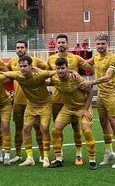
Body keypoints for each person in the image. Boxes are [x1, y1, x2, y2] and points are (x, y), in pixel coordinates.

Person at [78, 33, 115, 169]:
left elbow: (108, 77)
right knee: (103, 123)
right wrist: (73, 69)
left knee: (113, 122)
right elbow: (85, 65)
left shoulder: (113, 58)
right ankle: (109, 151)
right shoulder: (96, 56)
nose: (100, 46)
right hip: (101, 94)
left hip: (112, 94)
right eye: (98, 44)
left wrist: (90, 82)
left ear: (107, 44)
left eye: (102, 44)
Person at [1, 55, 57, 168]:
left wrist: (73, 72)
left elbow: (55, 72)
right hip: (31, 105)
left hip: (45, 104)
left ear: (31, 66)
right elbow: (2, 73)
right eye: (20, 66)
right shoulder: (17, 75)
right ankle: (29, 157)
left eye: (25, 66)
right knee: (26, 128)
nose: (22, 68)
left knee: (44, 128)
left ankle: (46, 157)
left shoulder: (40, 74)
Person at [47, 34, 93, 165]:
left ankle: (79, 155)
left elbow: (91, 68)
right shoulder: (51, 59)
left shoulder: (75, 58)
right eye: (59, 42)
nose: (61, 44)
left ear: (67, 44)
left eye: (63, 42)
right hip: (57, 98)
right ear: (56, 44)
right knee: (57, 129)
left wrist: (74, 72)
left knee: (76, 128)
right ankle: (59, 155)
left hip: (74, 98)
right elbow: (46, 73)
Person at [6, 40, 47, 163]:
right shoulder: (12, 62)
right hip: (18, 101)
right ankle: (18, 154)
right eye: (17, 47)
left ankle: (41, 155)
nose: (19, 49)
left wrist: (36, 69)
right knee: (19, 128)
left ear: (26, 48)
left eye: (22, 47)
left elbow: (47, 70)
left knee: (37, 128)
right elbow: (6, 74)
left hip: (33, 101)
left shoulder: (36, 60)